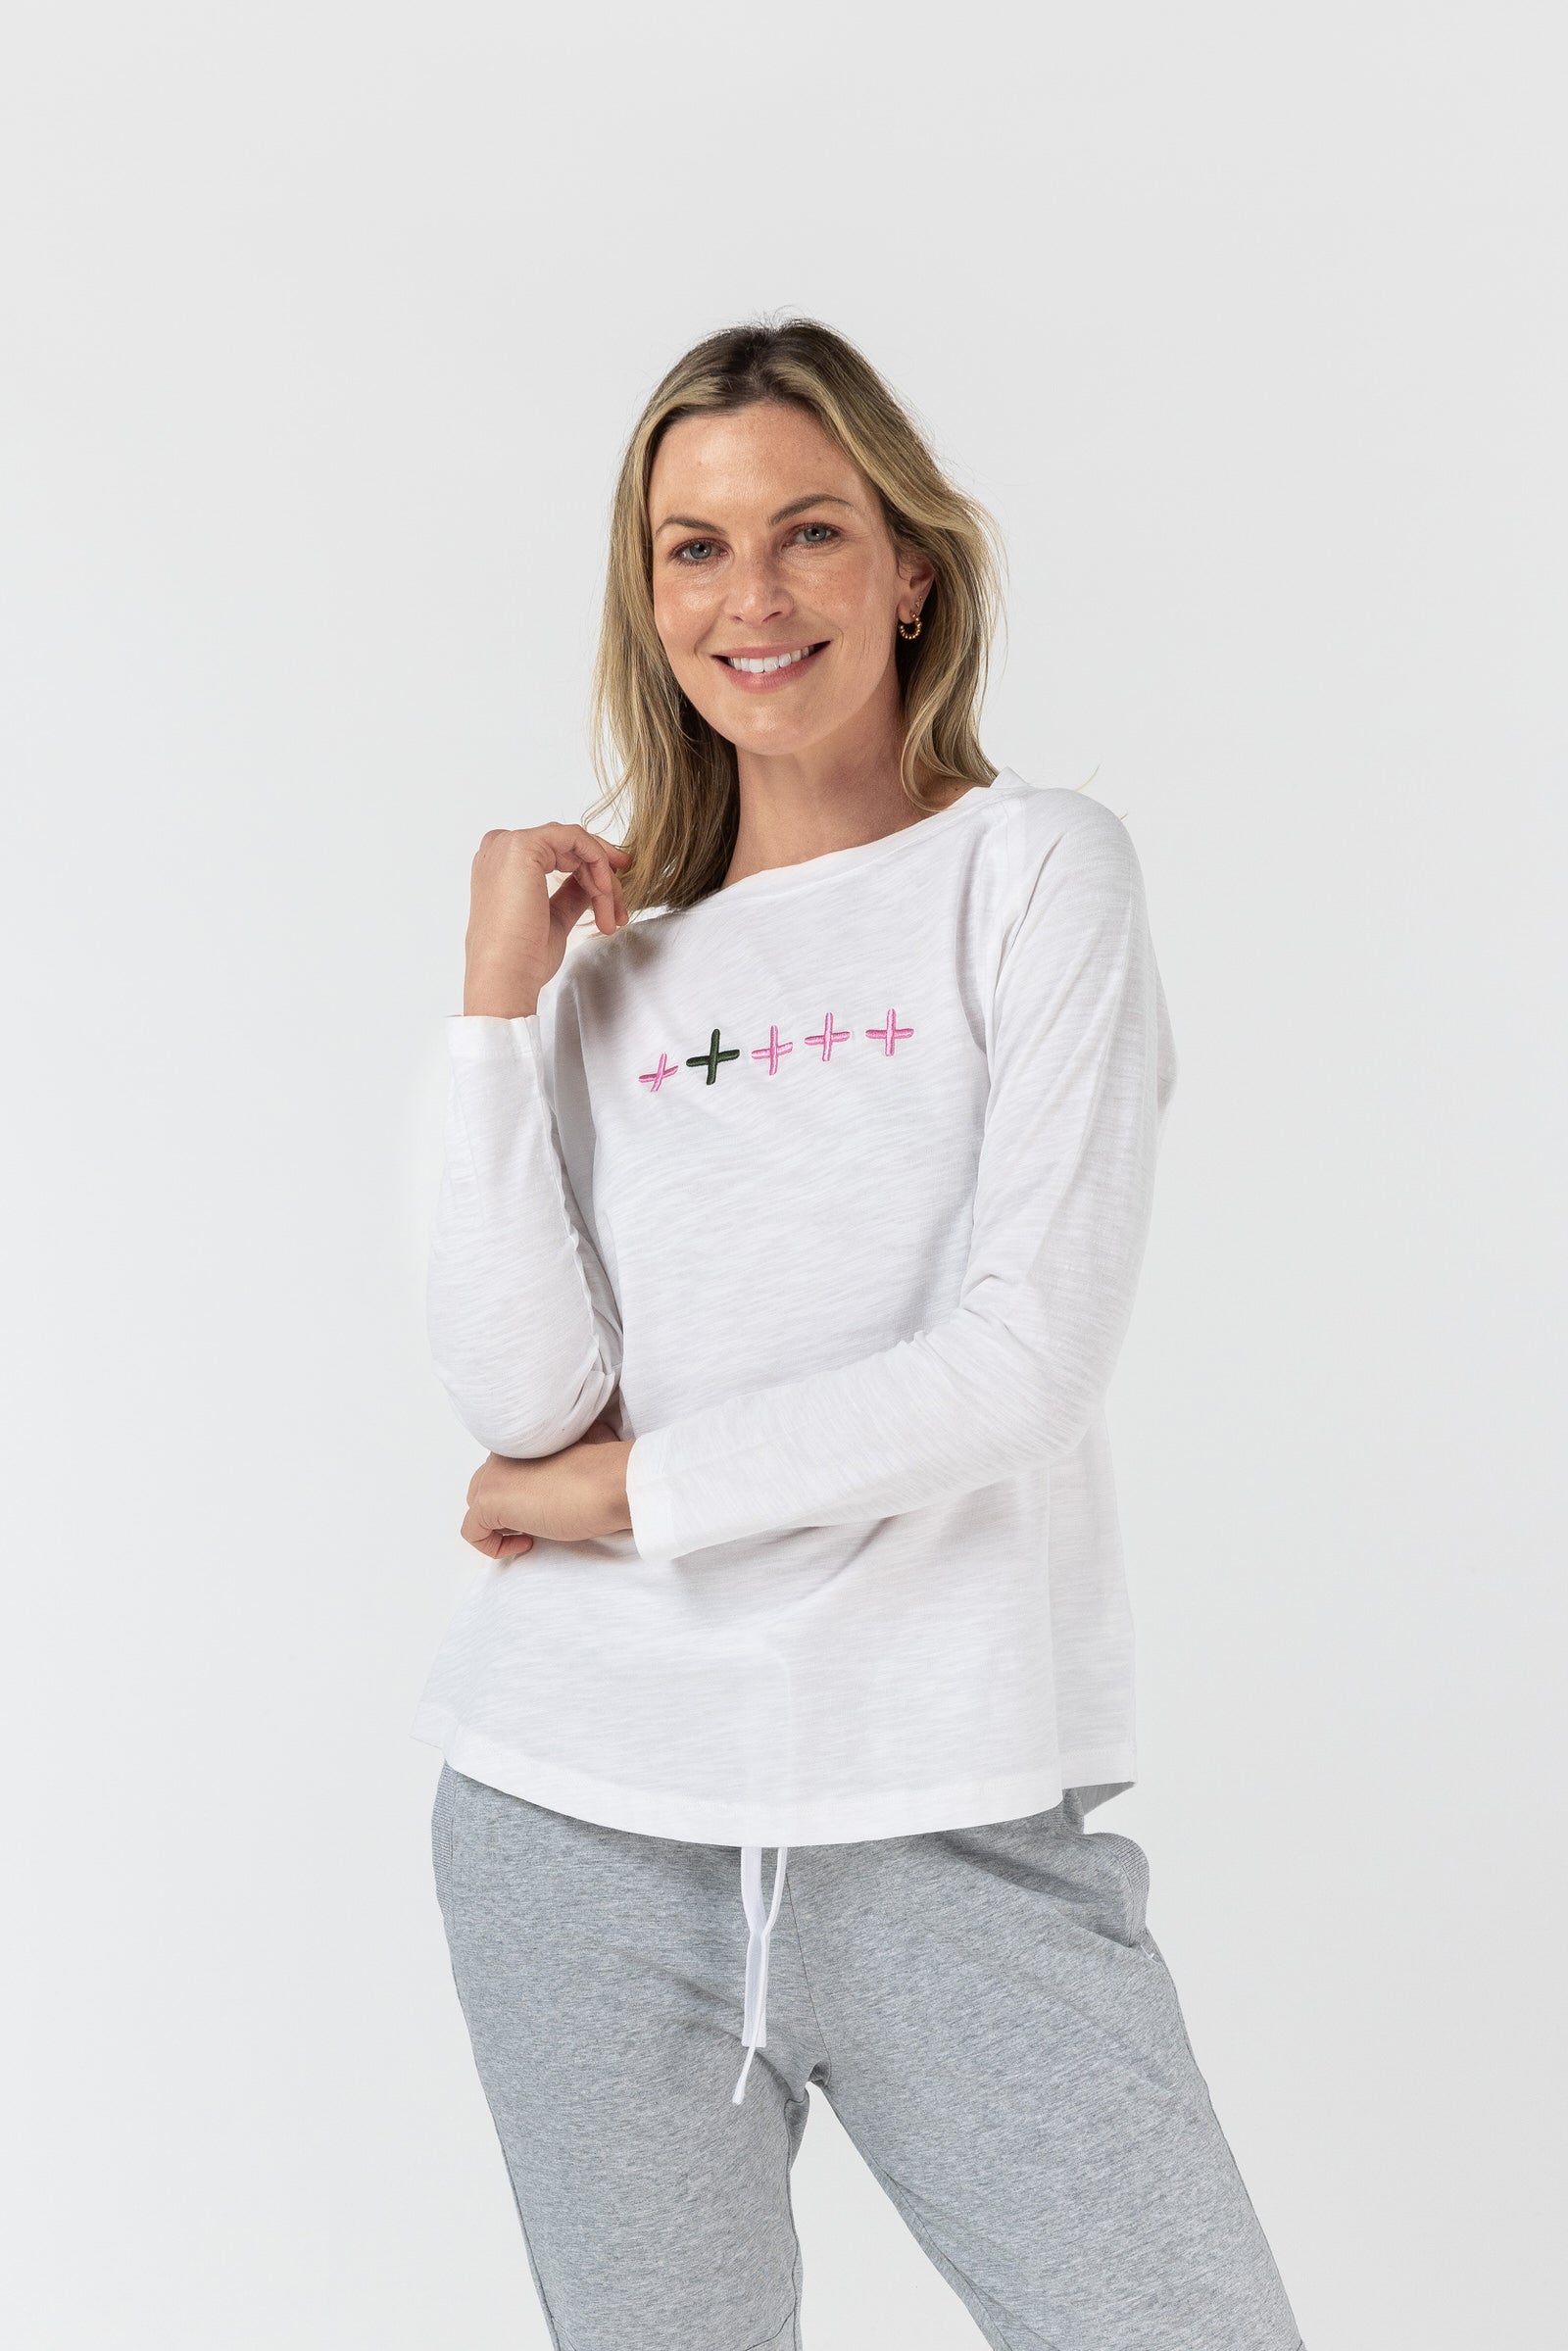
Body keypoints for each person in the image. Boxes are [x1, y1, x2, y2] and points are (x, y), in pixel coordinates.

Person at [413, 318, 1303, 2351]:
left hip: (945, 1810)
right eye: (694, 548)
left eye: (808, 531)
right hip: (578, 1814)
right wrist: (489, 1017)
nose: (752, 595)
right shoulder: (612, 979)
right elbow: (519, 1394)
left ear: (909, 567)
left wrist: (623, 1498)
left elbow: (1022, 1364)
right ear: (649, 600)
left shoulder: (1031, 872)